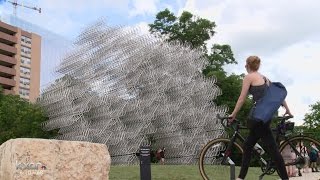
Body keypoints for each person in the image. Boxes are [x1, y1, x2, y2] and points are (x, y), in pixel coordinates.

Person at [228, 56, 293, 180]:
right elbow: (278, 95)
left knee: (272, 150)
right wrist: (288, 110)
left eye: (245, 64)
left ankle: (284, 178)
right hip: (266, 117)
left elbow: (242, 98)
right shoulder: (265, 78)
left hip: (258, 117)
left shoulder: (249, 77)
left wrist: (234, 114)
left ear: (247, 65)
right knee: (248, 145)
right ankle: (241, 177)